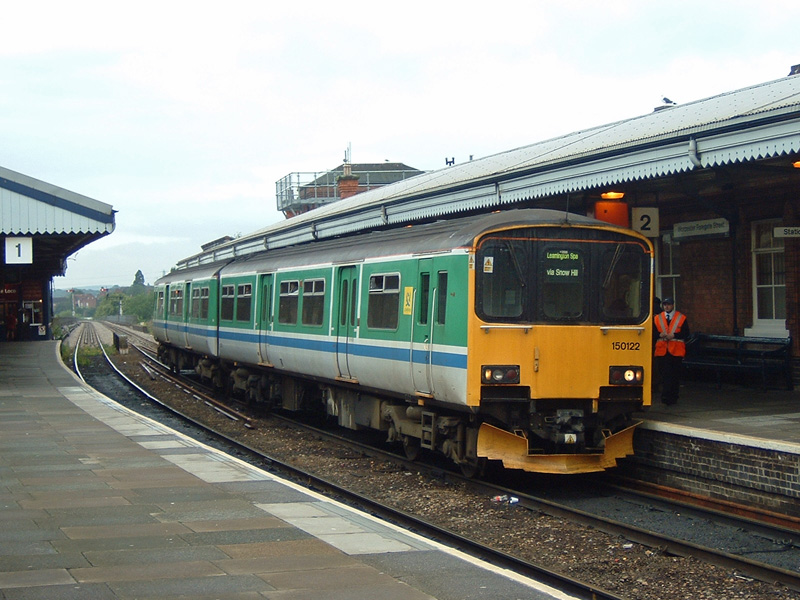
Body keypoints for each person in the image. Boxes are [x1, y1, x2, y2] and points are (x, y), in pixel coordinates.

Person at [653, 297, 689, 405]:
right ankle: (666, 396)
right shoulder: (657, 318)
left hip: (676, 351)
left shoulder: (681, 318)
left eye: (668, 304)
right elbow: (653, 333)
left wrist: (675, 335)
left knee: (675, 375)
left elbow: (686, 333)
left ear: (672, 305)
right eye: (665, 305)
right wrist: (659, 335)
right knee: (665, 375)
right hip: (662, 351)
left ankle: (673, 396)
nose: (666, 306)